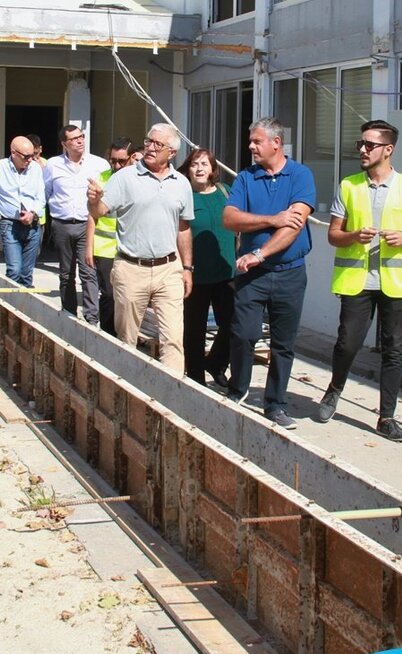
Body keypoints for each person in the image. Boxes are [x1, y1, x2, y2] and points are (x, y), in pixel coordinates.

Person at [317, 120, 402, 442]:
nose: (362, 150)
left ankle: (387, 417)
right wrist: (353, 235)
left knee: (393, 350)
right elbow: (334, 235)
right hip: (358, 281)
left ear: (388, 150)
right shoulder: (349, 185)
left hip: (396, 282)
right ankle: (333, 391)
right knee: (347, 343)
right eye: (360, 144)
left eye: (369, 145)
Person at [222, 118, 316, 429]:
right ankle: (237, 391)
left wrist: (259, 253)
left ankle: (275, 404)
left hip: (289, 274)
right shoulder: (247, 178)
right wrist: (271, 219)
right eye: (250, 141)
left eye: (256, 141)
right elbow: (230, 218)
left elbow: (294, 227)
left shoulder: (300, 175)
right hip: (252, 277)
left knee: (283, 343)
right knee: (243, 334)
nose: (250, 146)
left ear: (276, 143)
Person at [86, 124, 193, 374]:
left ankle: (170, 399)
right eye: (148, 142)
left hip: (169, 269)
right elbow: (99, 212)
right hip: (131, 269)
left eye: (158, 144)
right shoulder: (124, 177)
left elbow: (184, 228)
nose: (150, 148)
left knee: (173, 340)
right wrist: (93, 200)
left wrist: (187, 267)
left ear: (172, 153)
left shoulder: (181, 183)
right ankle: (129, 392)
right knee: (127, 341)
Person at [178, 148, 235, 388]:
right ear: (188, 168)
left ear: (213, 169)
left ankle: (215, 362)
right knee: (194, 331)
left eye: (204, 164)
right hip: (195, 275)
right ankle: (196, 380)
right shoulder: (183, 195)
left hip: (226, 272)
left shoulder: (226, 192)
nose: (199, 168)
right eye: (194, 164)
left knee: (234, 325)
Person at [44, 124, 109, 324]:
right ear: (64, 144)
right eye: (74, 139)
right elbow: (45, 193)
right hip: (62, 224)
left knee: (89, 272)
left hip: (87, 225)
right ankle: (69, 314)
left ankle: (91, 318)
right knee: (66, 273)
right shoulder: (53, 165)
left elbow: (107, 194)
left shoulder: (99, 164)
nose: (80, 141)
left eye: (81, 136)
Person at [84, 138, 136, 336]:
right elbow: (92, 215)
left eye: (121, 161)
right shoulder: (102, 178)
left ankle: (126, 333)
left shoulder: (138, 178)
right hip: (105, 248)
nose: (116, 165)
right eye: (113, 160)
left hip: (130, 248)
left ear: (132, 158)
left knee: (129, 295)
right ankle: (107, 335)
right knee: (109, 294)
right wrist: (88, 248)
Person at [0, 136, 46, 288]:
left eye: (33, 155)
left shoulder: (35, 169)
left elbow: (41, 198)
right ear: (14, 153)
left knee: (26, 272)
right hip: (9, 224)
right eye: (26, 156)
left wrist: (33, 213)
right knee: (14, 270)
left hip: (32, 225)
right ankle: (10, 307)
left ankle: (25, 307)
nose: (30, 160)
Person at [27, 134, 48, 249]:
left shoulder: (46, 164)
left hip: (39, 215)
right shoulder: (22, 164)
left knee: (35, 249)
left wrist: (42, 170)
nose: (33, 158)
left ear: (40, 149)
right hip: (22, 213)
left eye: (36, 154)